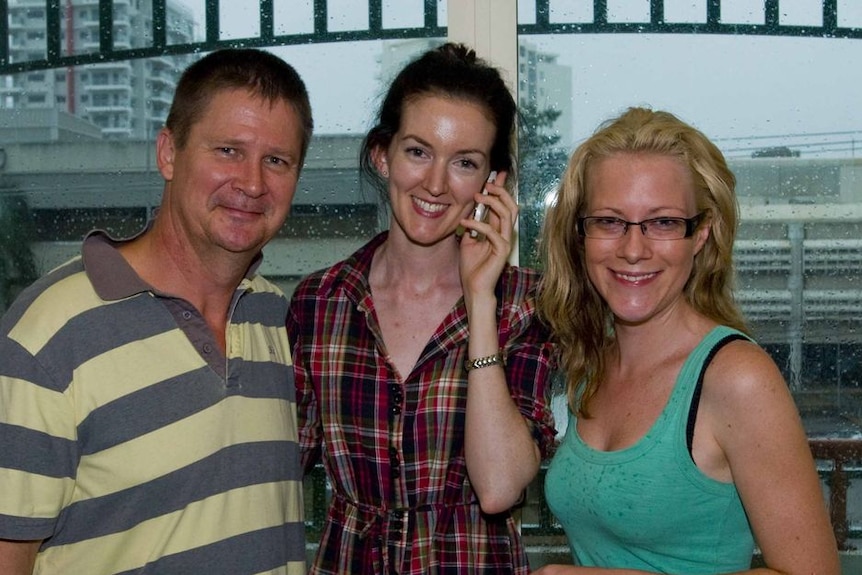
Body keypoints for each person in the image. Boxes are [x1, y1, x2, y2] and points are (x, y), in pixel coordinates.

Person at [0, 48, 313, 574]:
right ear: (168, 152)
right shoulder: (48, 337)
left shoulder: (274, 318)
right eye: (228, 150)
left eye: (277, 160)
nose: (253, 183)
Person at [533, 107, 840, 575]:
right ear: (581, 234)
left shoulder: (737, 378)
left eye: (663, 222)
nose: (633, 250)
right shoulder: (592, 361)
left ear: (701, 234)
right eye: (610, 221)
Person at [287, 42, 556, 574]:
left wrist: (482, 302)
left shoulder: (526, 306)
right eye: (417, 151)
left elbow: (500, 485)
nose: (435, 184)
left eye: (464, 163)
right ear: (381, 155)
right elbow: (274, 472)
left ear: (492, 180)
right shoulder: (321, 302)